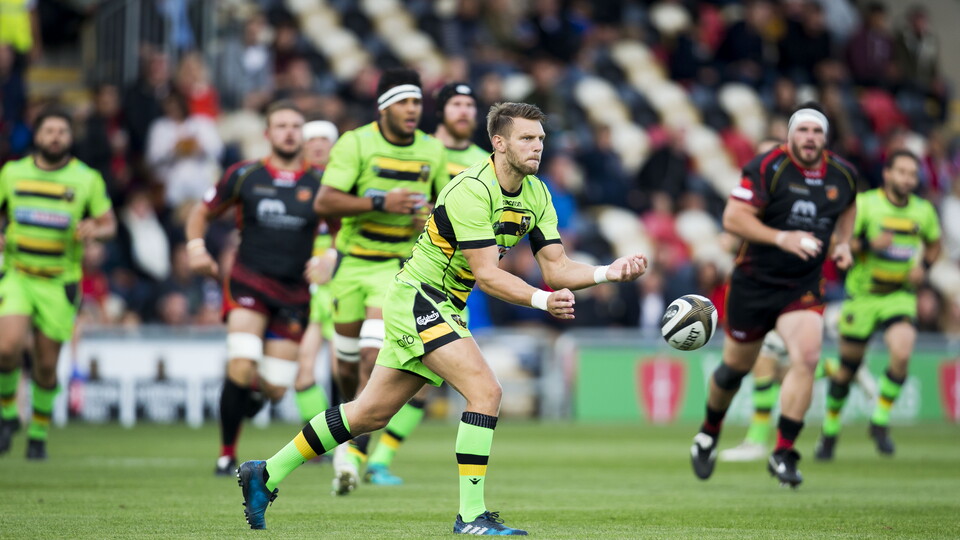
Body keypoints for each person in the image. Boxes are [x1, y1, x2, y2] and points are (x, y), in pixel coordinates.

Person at [235, 102, 647, 533]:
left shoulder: (538, 193)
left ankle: (264, 473)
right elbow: (487, 275)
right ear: (499, 143)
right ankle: (471, 516)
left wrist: (608, 272)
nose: (537, 146)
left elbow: (557, 267)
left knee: (369, 414)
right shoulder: (471, 189)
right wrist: (543, 302)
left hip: (439, 303)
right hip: (418, 297)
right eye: (526, 138)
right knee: (486, 391)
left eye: (541, 138)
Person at [690, 103, 858, 488]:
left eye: (817, 131)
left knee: (808, 357)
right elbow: (733, 218)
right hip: (754, 283)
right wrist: (782, 238)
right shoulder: (768, 166)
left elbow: (849, 205)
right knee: (734, 369)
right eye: (803, 130)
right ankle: (709, 431)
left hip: (802, 285)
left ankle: (783, 453)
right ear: (790, 135)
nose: (810, 138)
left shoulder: (844, 174)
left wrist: (843, 243)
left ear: (826, 137)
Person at [312, 68, 449, 495]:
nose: (413, 109)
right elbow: (325, 201)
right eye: (404, 102)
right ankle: (346, 430)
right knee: (346, 365)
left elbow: (444, 206)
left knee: (373, 358)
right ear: (384, 107)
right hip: (352, 265)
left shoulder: (432, 150)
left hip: (397, 267)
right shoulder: (355, 143)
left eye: (417, 102)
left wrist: (426, 214)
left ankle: (352, 454)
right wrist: (380, 201)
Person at [185, 100, 323, 476]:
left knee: (276, 388)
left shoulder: (321, 183)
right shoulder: (244, 175)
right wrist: (196, 248)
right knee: (242, 362)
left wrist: (330, 258)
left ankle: (247, 393)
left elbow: (343, 232)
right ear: (267, 133)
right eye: (281, 126)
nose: (289, 132)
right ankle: (226, 454)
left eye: (295, 126)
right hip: (248, 281)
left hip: (294, 293)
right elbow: (202, 212)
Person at [363, 81, 490, 486]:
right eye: (456, 104)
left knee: (420, 385)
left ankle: (377, 459)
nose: (464, 111)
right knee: (371, 363)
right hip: (405, 272)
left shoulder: (485, 162)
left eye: (470, 104)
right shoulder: (425, 152)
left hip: (454, 283)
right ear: (442, 111)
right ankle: (356, 456)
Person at [0, 108, 116, 459]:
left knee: (46, 365)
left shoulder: (86, 178)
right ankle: (8, 415)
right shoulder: (12, 173)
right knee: (6, 348)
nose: (55, 137)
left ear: (70, 137)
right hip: (18, 274)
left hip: (59, 281)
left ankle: (38, 434)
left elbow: (109, 224)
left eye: (62, 131)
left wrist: (96, 229)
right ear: (36, 135)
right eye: (49, 130)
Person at [814, 149, 941, 460]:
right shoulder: (866, 205)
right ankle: (830, 430)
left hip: (899, 295)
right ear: (887, 174)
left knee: (902, 351)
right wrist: (871, 244)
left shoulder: (923, 211)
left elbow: (935, 244)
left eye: (912, 174)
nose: (908, 179)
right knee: (847, 370)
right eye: (902, 172)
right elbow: (839, 244)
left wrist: (924, 267)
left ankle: (880, 420)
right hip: (863, 296)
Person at [293, 120, 339, 427]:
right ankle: (321, 442)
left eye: (324, 139)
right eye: (311, 139)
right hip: (306, 286)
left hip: (338, 284)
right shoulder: (295, 182)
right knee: (303, 372)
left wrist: (333, 256)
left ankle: (346, 441)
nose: (318, 145)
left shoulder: (344, 181)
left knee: (341, 370)